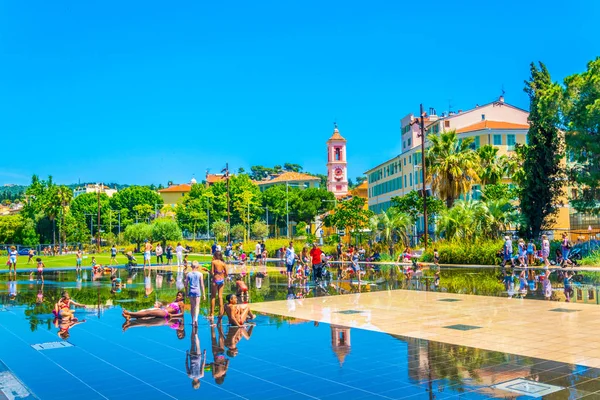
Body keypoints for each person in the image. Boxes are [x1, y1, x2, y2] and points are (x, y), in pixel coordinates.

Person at [186, 261, 207, 326]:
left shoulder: (188, 274)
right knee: (197, 306)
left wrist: (186, 293)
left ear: (191, 266)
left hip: (191, 291)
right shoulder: (200, 274)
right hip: (197, 291)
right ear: (198, 267)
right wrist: (204, 294)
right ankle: (196, 319)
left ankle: (192, 320)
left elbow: (186, 285)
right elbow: (202, 285)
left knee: (192, 306)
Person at [209, 251, 227, 318]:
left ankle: (212, 314)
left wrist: (209, 272)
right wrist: (222, 276)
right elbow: (226, 273)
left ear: (215, 256)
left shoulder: (213, 262)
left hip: (215, 280)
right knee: (220, 296)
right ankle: (220, 313)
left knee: (213, 296)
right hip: (221, 280)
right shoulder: (223, 263)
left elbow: (212, 272)